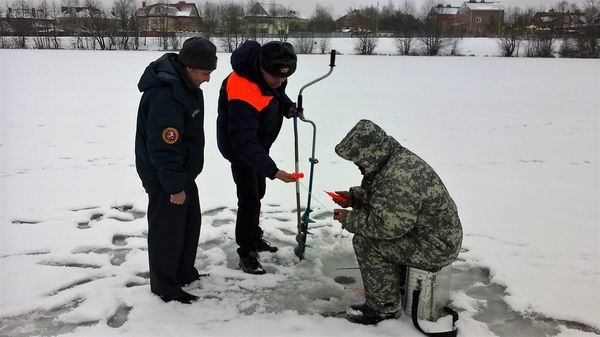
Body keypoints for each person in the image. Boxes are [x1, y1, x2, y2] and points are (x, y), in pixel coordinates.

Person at [332, 119, 463, 324]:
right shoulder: (392, 159)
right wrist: (354, 198)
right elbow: (387, 202)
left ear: (369, 152)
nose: (357, 164)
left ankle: (383, 308)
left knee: (366, 242)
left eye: (358, 158)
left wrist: (350, 219)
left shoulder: (397, 175)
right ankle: (395, 284)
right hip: (428, 235)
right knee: (373, 235)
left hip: (436, 247)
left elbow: (388, 227)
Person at [135, 37, 217, 303]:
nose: (208, 78)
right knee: (167, 232)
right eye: (205, 72)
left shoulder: (186, 86)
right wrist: (174, 186)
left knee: (189, 225)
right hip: (165, 176)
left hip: (181, 173)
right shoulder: (165, 95)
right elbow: (162, 147)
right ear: (190, 67)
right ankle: (165, 285)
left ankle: (183, 272)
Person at [217, 41, 299, 275]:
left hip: (258, 146)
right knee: (249, 199)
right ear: (261, 68)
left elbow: (277, 93)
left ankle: (254, 236)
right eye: (275, 77)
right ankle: (246, 252)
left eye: (284, 78)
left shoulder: (272, 74)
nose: (280, 82)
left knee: (258, 192)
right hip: (240, 150)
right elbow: (243, 141)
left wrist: (288, 107)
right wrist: (273, 171)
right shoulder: (242, 88)